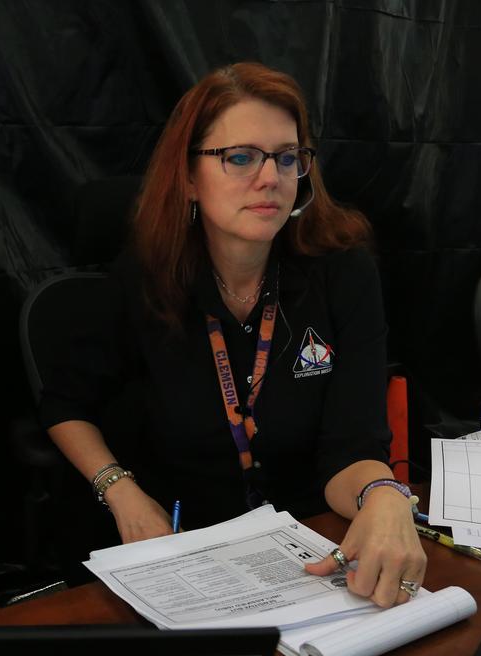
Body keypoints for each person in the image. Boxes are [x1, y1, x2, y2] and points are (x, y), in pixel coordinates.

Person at [38, 63, 425, 608]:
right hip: (178, 545)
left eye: (287, 157)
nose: (270, 177)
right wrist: (121, 493)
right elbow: (65, 407)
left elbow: (351, 452)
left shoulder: (343, 275)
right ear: (190, 176)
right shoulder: (143, 278)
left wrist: (381, 493)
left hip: (299, 547)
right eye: (240, 157)